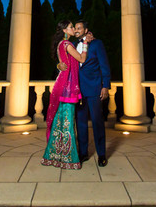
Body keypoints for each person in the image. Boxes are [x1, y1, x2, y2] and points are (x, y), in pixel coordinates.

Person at [41, 20, 88, 169]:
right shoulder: (68, 45)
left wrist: (58, 65)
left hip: (60, 85)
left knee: (59, 122)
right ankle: (68, 158)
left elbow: (62, 64)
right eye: (71, 27)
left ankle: (53, 156)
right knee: (67, 123)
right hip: (67, 88)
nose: (73, 28)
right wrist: (85, 43)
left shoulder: (61, 45)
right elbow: (81, 58)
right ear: (65, 31)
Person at [74, 20, 111, 167]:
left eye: (79, 28)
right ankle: (83, 153)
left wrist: (105, 86)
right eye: (75, 28)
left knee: (97, 122)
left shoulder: (96, 44)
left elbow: (104, 66)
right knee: (80, 123)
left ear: (86, 30)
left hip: (95, 88)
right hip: (78, 91)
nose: (76, 30)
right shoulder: (72, 46)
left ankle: (101, 154)